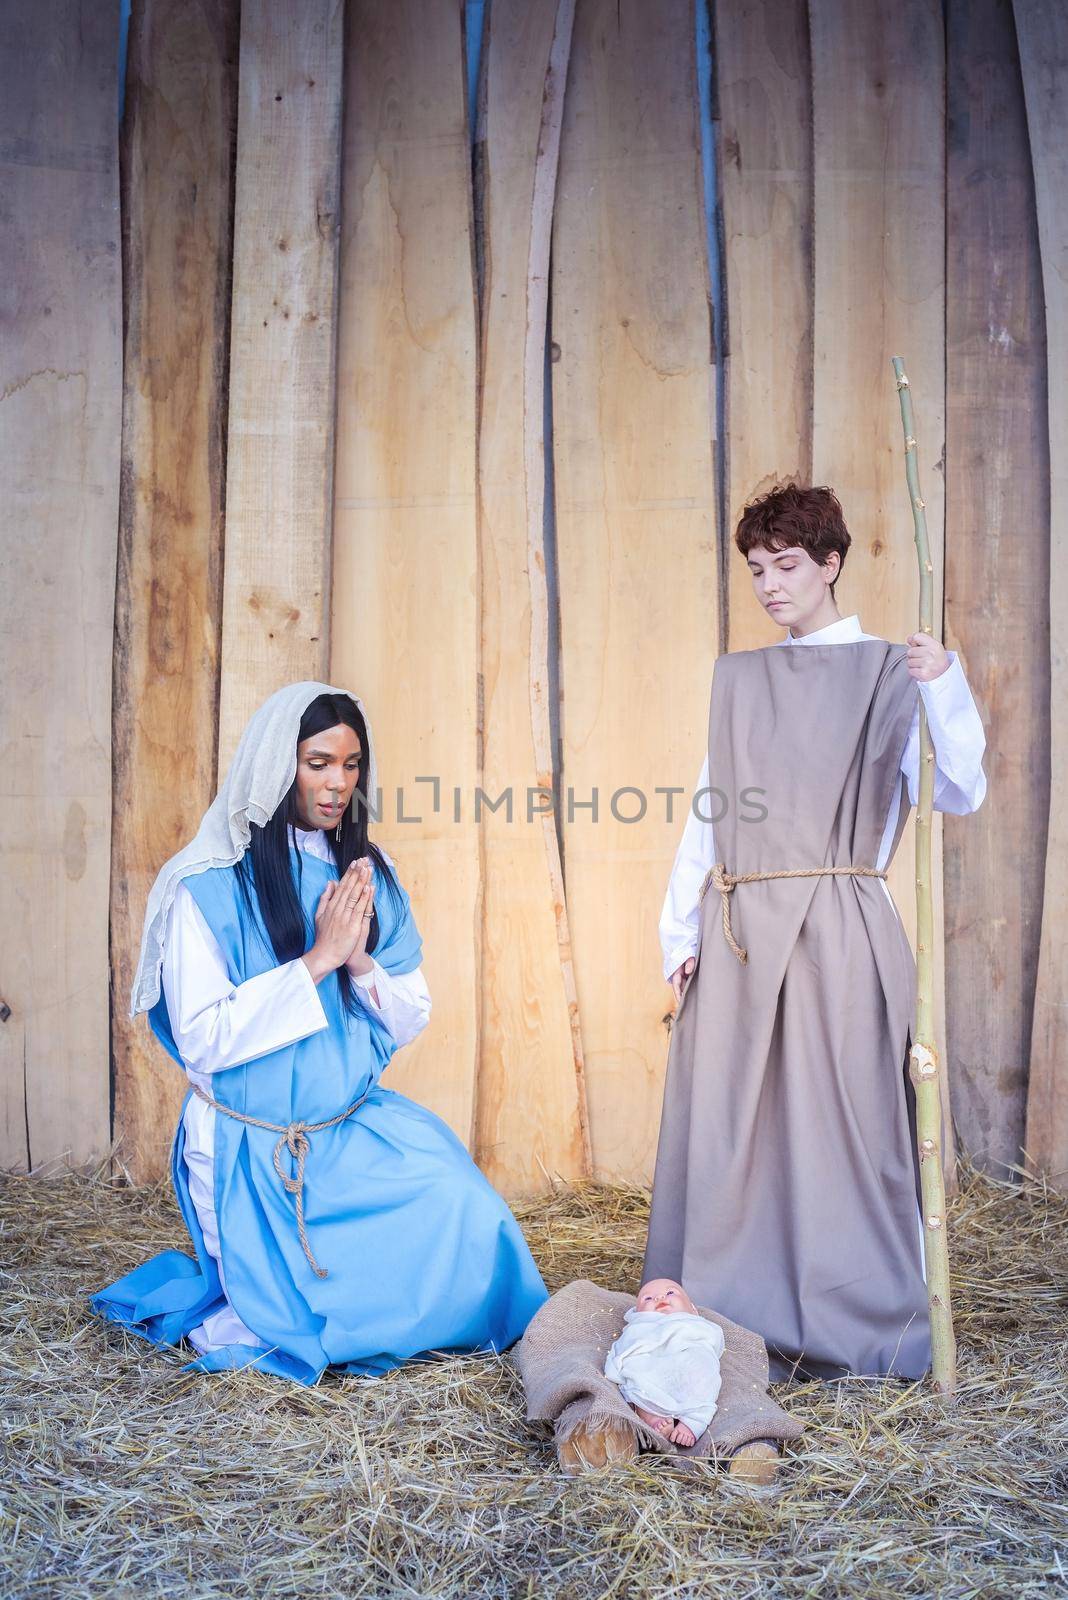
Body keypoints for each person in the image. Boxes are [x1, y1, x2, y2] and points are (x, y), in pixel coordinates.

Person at [92, 682, 548, 1383]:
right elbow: (204, 1037)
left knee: (469, 1212)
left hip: (347, 1127)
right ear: (279, 764)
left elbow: (410, 1012)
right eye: (318, 762)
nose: (338, 783)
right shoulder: (204, 884)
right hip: (252, 1145)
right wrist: (316, 961)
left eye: (352, 764)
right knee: (283, 1326)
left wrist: (358, 956)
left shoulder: (368, 872)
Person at [644, 483, 987, 1382]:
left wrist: (943, 686)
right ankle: (733, 1312)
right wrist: (679, 930)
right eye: (757, 569)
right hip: (742, 929)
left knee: (847, 1125)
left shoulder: (890, 672)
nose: (769, 584)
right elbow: (711, 812)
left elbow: (959, 789)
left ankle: (858, 1314)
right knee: (733, 1127)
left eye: (787, 565)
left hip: (840, 927)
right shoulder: (742, 680)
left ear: (831, 563)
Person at [603, 1278, 725, 1447]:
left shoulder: (696, 1323)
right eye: (647, 1299)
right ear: (637, 1314)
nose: (659, 1298)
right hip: (652, 1366)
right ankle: (651, 1416)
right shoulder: (639, 1327)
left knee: (704, 1369)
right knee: (637, 1376)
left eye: (670, 1292)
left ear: (693, 1309)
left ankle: (694, 1420)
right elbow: (624, 1351)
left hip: (688, 1360)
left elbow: (711, 1347)